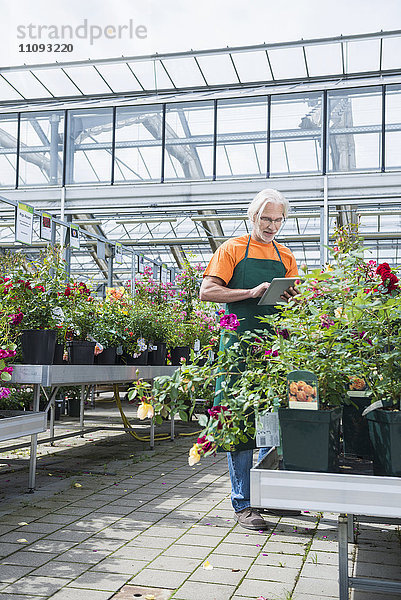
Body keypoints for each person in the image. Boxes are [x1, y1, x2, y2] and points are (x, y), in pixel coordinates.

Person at [200, 188, 300, 530]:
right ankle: (243, 503)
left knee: (272, 420)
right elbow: (207, 291)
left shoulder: (285, 255)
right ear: (252, 217)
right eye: (265, 218)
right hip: (238, 346)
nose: (272, 225)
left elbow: (294, 299)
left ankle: (268, 495)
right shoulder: (230, 249)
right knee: (238, 419)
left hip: (272, 348)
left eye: (278, 219)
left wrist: (293, 297)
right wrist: (250, 292)